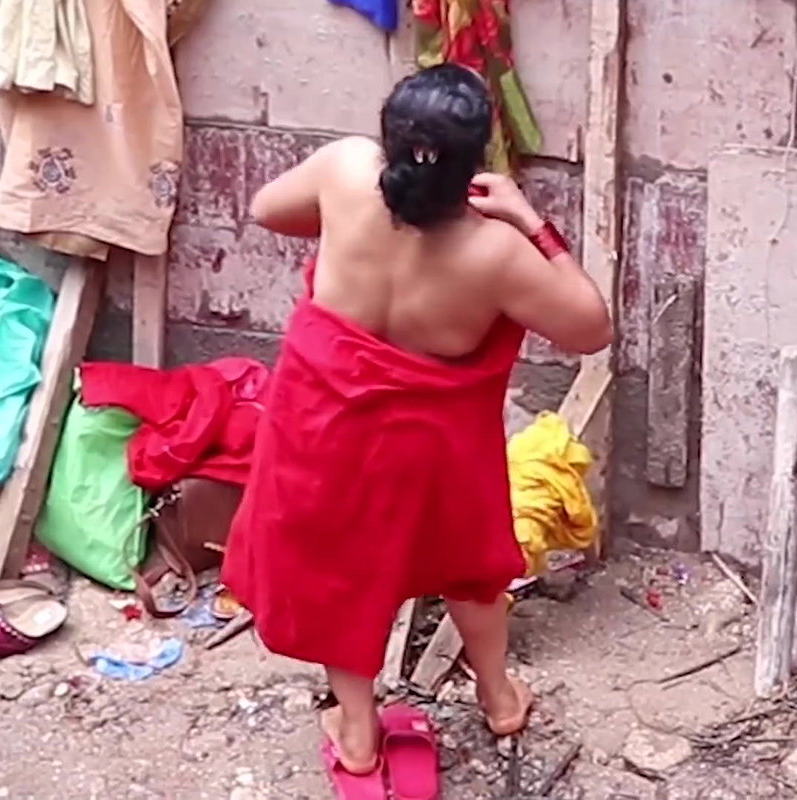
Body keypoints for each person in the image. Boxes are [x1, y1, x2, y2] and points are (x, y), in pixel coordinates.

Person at [219, 63, 613, 795]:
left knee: (341, 569)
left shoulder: (345, 170)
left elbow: (269, 208)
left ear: (391, 138)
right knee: (465, 560)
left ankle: (359, 730)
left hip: (323, 423)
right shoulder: (496, 251)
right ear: (476, 159)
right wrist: (530, 219)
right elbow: (590, 327)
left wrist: (349, 222)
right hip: (429, 445)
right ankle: (498, 698)